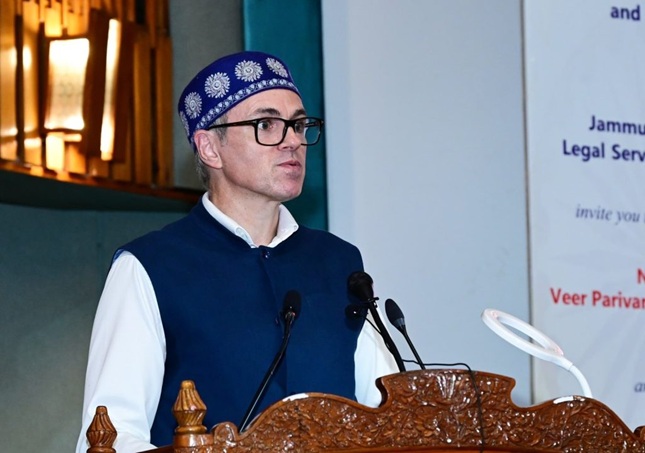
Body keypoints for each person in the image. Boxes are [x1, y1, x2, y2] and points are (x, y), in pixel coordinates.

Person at [75, 50, 397, 453]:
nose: (293, 141)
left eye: (299, 125)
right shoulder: (150, 267)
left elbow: (388, 417)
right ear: (210, 148)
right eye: (267, 125)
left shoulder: (339, 263)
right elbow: (109, 435)